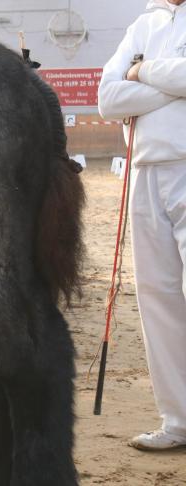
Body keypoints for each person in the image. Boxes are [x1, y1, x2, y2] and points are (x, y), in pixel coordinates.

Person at [99, 0, 186, 451]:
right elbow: (107, 98)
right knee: (157, 298)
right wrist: (168, 80)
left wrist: (140, 72)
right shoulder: (143, 22)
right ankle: (178, 420)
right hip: (145, 172)